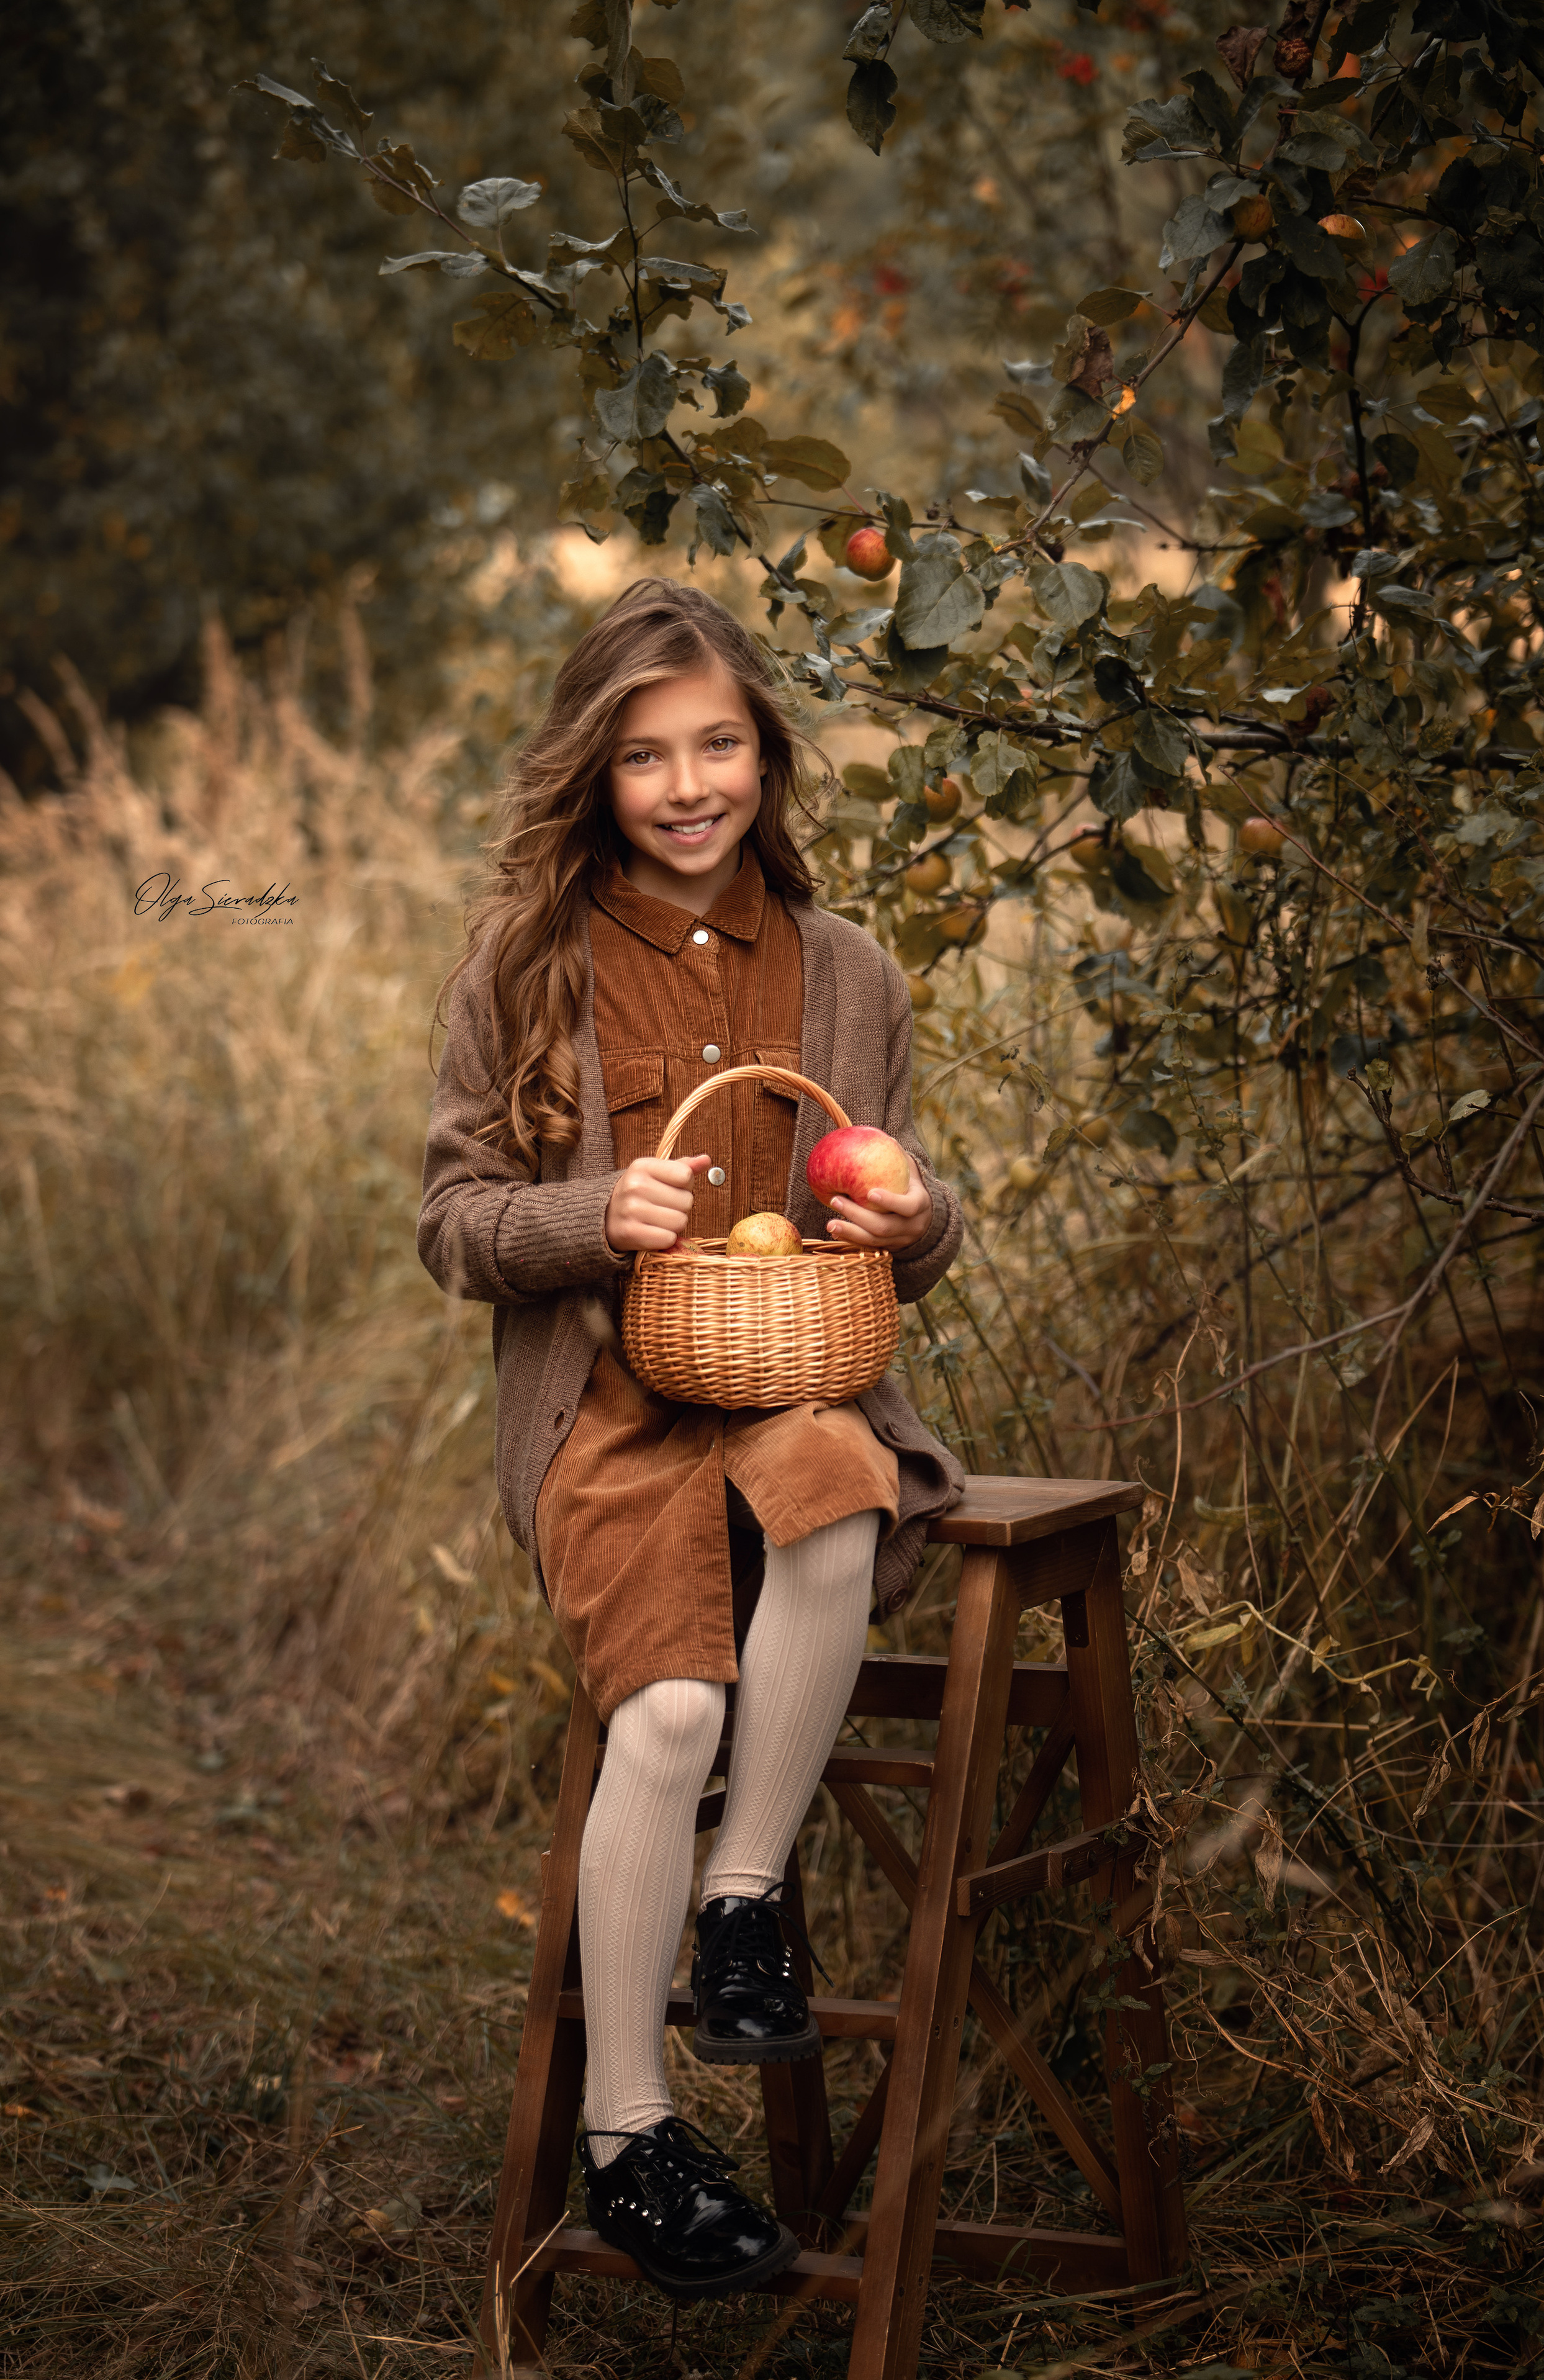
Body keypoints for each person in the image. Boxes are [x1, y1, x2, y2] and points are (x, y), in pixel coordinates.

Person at [417, 578, 964, 2299]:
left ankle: (744, 1901)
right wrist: (592, 1215)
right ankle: (631, 2135)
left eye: (717, 740)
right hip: (613, 1418)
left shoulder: (852, 972)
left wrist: (918, 1219)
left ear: (765, 756)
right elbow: (452, 1221)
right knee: (664, 1708)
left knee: (840, 1487)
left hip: (795, 1383)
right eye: (645, 753)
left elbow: (902, 1207)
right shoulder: (525, 964)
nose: (686, 781)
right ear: (597, 773)